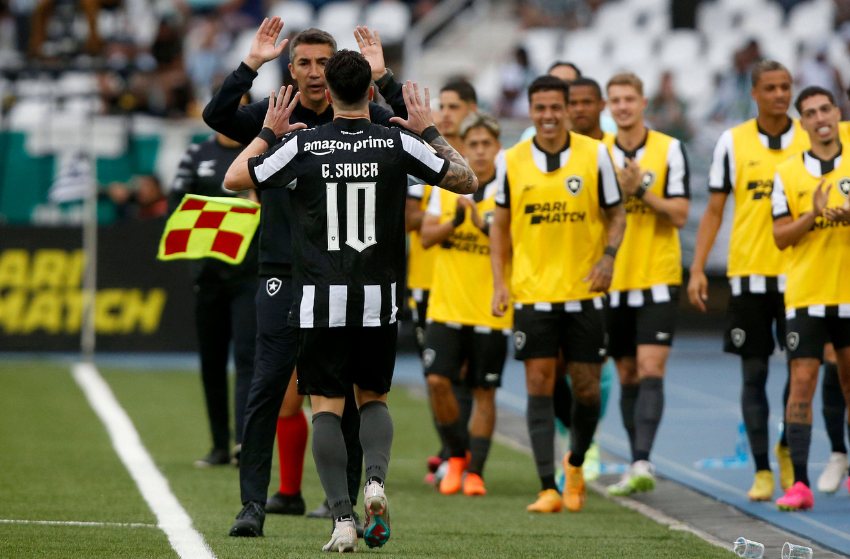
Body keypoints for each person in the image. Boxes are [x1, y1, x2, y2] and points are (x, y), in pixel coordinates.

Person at [223, 51, 477, 552]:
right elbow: (466, 179)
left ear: (329, 92)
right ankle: (375, 483)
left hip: (320, 300)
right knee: (373, 399)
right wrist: (427, 130)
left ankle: (342, 518)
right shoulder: (396, 141)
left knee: (326, 408)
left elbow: (234, 179)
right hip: (378, 299)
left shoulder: (304, 144)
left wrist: (269, 132)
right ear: (370, 92)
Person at [202, 17, 408, 537]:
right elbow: (216, 115)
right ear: (289, 69)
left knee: (351, 392)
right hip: (280, 270)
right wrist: (250, 64)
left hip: (345, 276)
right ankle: (252, 504)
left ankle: (346, 505)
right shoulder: (276, 115)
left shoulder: (364, 117)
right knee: (265, 385)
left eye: (323, 62)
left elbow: (411, 126)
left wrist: (382, 77)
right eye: (304, 63)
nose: (315, 73)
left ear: (336, 68)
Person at [491, 75, 625, 513]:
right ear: (530, 111)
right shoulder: (511, 160)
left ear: (568, 109)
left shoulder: (596, 155)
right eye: (540, 108)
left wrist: (607, 257)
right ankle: (547, 486)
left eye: (555, 108)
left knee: (586, 390)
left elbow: (617, 214)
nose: (548, 116)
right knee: (538, 386)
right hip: (533, 297)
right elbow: (500, 226)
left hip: (584, 295)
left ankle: (575, 463)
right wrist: (500, 282)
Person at [687, 60, 808, 502]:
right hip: (750, 275)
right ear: (754, 93)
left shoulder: (810, 138)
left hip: (801, 275)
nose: (780, 95)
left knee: (802, 374)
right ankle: (761, 469)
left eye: (786, 87)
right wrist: (698, 267)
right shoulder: (733, 142)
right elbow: (715, 209)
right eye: (771, 88)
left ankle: (789, 447)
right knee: (753, 373)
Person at [600, 72, 690, 496]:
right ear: (608, 105)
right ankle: (636, 460)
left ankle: (641, 462)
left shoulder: (669, 149)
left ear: (643, 102)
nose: (622, 106)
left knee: (652, 368)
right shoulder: (598, 152)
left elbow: (680, 214)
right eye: (615, 99)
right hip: (614, 280)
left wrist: (641, 193)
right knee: (627, 372)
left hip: (657, 276)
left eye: (628, 99)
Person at [420, 112, 510, 497]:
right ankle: (456, 457)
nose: (479, 151)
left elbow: (518, 245)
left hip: (490, 307)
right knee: (438, 381)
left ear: (497, 148)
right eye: (472, 145)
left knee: (484, 392)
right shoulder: (450, 187)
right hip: (447, 304)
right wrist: (456, 222)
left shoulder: (509, 190)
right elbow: (425, 237)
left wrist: (485, 224)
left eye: (485, 144)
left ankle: (476, 471)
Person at [771, 85, 850, 511]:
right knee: (801, 385)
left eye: (825, 108)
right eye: (810, 113)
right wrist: (812, 215)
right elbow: (780, 236)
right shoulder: (786, 172)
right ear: (801, 123)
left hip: (849, 293)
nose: (820, 118)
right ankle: (799, 483)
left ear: (837, 112)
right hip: (807, 294)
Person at [169, 125, 258, 469]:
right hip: (208, 275)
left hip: (248, 275)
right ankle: (218, 443)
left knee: (249, 360)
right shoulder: (196, 155)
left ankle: (242, 443)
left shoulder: (259, 151)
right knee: (211, 361)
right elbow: (176, 208)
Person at [408, 79, 478, 481]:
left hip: (471, 279)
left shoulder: (483, 158)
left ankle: (460, 455)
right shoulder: (422, 154)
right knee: (437, 375)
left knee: (467, 374)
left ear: (472, 109)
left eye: (455, 106)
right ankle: (450, 450)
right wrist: (438, 212)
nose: (447, 113)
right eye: (442, 106)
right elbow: (406, 219)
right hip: (427, 279)